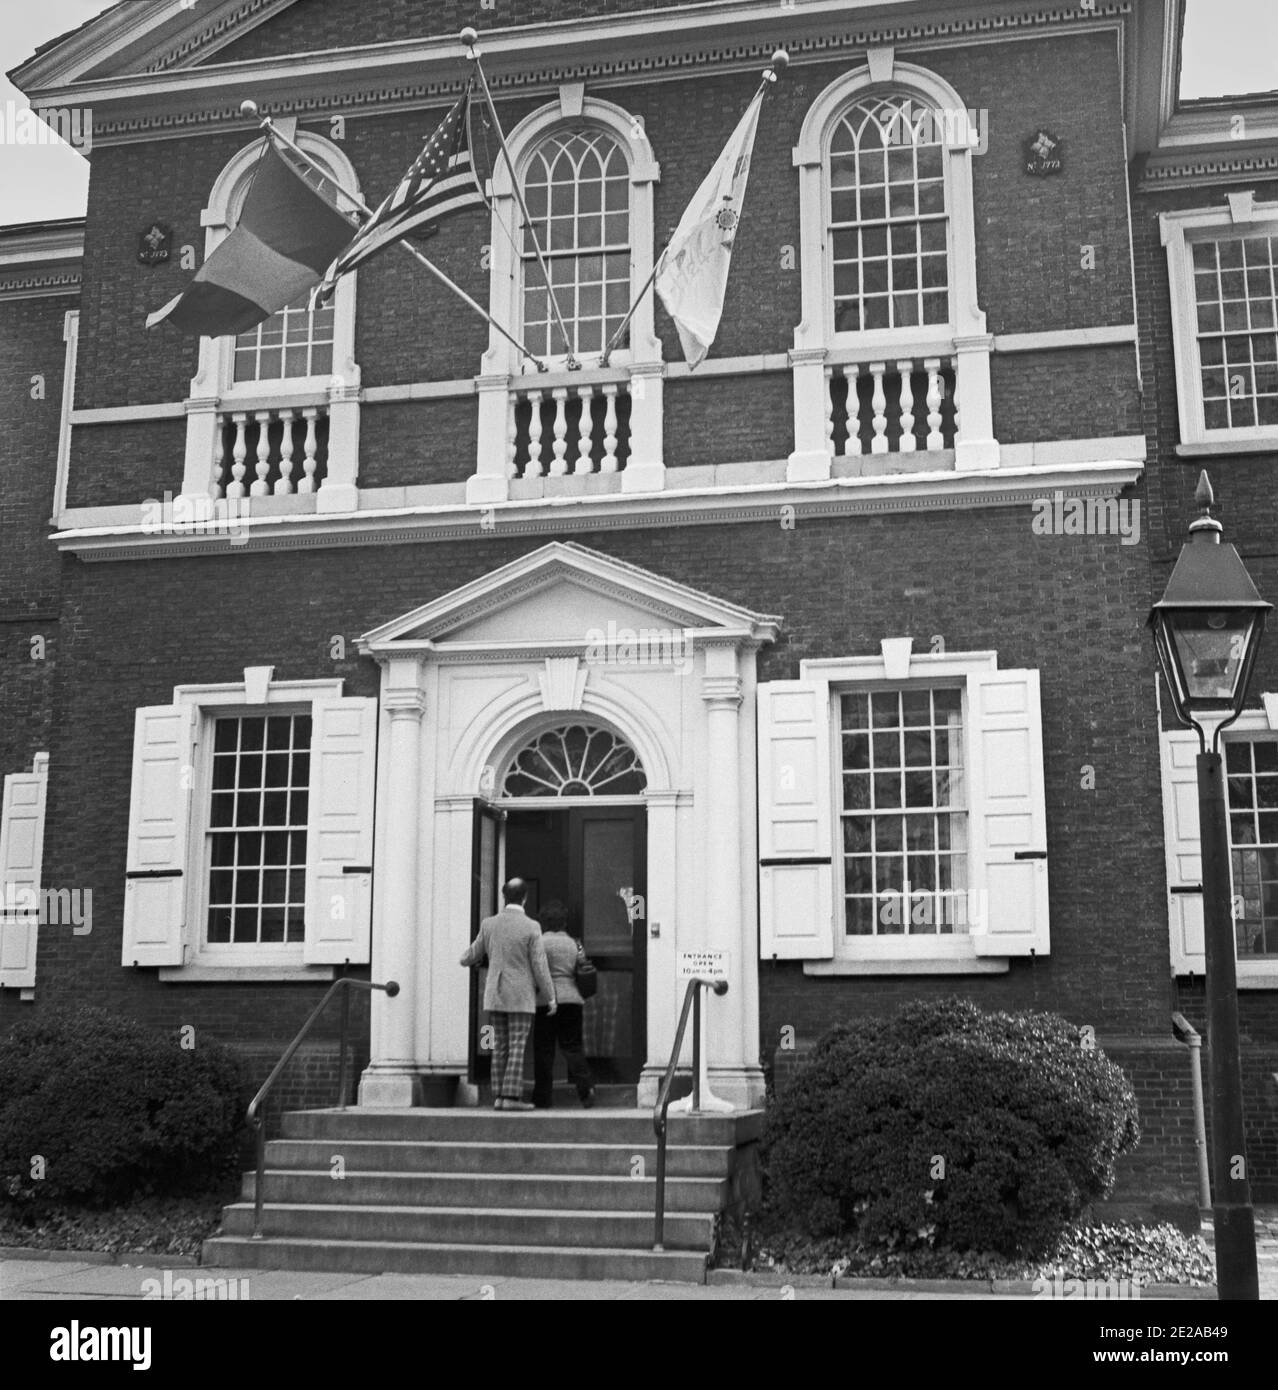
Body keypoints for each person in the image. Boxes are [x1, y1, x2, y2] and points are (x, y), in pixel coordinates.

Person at [460, 877, 555, 1110]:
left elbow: (470, 955)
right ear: (525, 897)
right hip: (521, 995)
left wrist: (466, 960)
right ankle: (511, 1098)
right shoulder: (532, 926)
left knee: (499, 1045)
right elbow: (539, 965)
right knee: (517, 1045)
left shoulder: (489, 924)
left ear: (504, 896)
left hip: (495, 993)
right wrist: (550, 996)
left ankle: (499, 1096)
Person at [532, 900, 596, 1110]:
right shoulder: (574, 943)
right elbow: (583, 966)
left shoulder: (539, 942)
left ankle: (542, 1097)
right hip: (572, 999)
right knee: (573, 1047)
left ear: (543, 921)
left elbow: (535, 970)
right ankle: (586, 1090)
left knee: (544, 1050)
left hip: (545, 1001)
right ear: (564, 922)